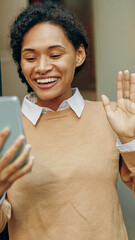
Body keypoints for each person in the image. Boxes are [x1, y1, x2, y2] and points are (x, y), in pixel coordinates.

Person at [0, 1, 135, 239]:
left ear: (79, 54)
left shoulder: (113, 118)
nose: (42, 67)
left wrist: (130, 141)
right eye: (30, 58)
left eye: (55, 54)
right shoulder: (6, 130)